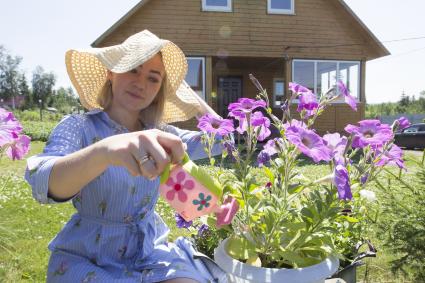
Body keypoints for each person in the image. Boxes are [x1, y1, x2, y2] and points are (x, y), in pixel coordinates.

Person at [25, 30, 224, 283]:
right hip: (88, 257)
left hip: (149, 253)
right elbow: (43, 180)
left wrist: (188, 94)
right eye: (133, 69)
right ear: (111, 71)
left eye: (153, 79)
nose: (141, 83)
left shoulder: (162, 134)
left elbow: (222, 139)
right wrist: (105, 151)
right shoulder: (79, 127)